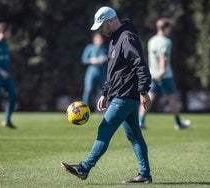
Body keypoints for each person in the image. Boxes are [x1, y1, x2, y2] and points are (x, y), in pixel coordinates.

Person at [61, 6, 152, 184]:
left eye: (102, 25)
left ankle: (84, 167)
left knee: (104, 129)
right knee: (134, 136)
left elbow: (140, 65)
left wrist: (144, 90)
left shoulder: (127, 38)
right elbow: (113, 72)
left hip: (125, 96)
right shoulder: (114, 39)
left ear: (111, 21)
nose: (101, 30)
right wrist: (104, 93)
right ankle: (145, 174)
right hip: (121, 95)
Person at [138, 18, 191, 130]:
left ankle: (140, 121)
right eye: (169, 28)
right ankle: (178, 123)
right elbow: (163, 56)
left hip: (152, 74)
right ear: (165, 28)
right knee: (172, 99)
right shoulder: (166, 41)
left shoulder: (151, 40)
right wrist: (162, 71)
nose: (170, 30)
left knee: (149, 97)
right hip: (165, 75)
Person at [81, 32, 108, 110]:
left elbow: (111, 58)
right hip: (91, 72)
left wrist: (106, 58)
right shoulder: (89, 47)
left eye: (101, 38)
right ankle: (84, 108)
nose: (100, 40)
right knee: (88, 89)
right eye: (98, 38)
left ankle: (99, 109)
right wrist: (92, 60)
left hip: (102, 72)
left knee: (101, 91)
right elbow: (84, 59)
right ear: (94, 39)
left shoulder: (105, 48)